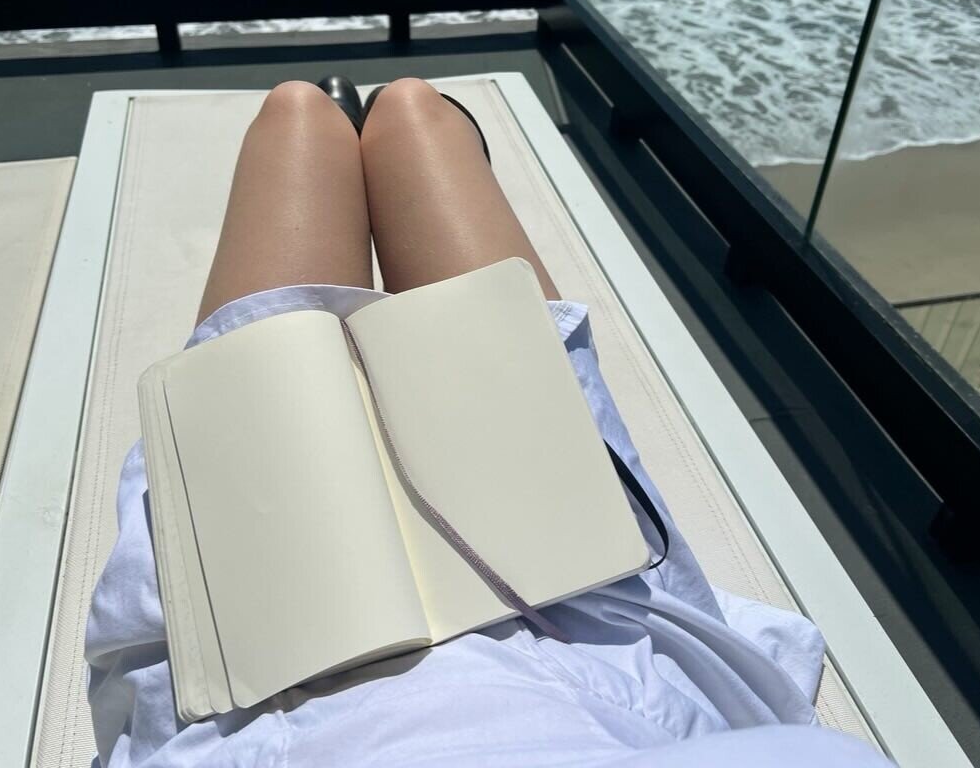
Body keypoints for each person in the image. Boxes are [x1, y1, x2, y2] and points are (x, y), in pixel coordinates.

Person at [85, 77, 892, 767]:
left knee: (299, 119)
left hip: (258, 689)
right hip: (583, 637)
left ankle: (363, 126)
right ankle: (393, 126)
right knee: (404, 124)